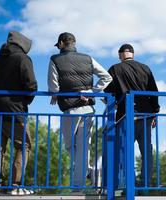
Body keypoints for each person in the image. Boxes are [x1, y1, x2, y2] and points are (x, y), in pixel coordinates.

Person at [47, 32, 112, 188]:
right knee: (83, 147)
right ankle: (85, 177)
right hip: (88, 108)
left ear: (62, 43)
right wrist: (91, 92)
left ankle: (83, 178)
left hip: (70, 109)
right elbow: (107, 77)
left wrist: (55, 94)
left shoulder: (55, 59)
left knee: (70, 146)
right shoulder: (88, 58)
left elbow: (53, 86)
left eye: (59, 45)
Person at [0, 31, 37, 195]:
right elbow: (31, 86)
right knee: (24, 145)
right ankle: (15, 185)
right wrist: (23, 103)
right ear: (23, 45)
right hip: (15, 111)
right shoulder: (23, 59)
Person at [104, 44, 160, 187]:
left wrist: (114, 102)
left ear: (120, 55)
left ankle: (131, 183)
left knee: (124, 150)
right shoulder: (145, 68)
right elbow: (154, 91)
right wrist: (155, 112)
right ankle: (145, 184)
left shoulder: (115, 69)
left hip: (125, 116)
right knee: (147, 151)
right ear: (132, 54)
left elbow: (108, 92)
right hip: (145, 114)